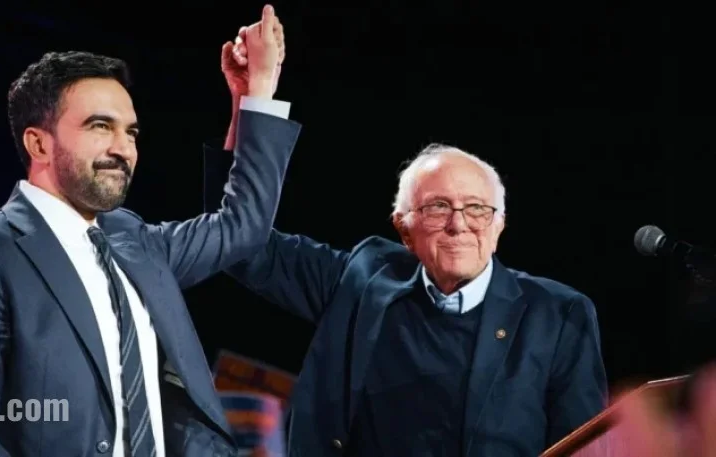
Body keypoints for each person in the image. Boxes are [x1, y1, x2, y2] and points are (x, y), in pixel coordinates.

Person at [0, 6, 299, 457]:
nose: (123, 149)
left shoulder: (133, 238)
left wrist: (255, 92)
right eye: (100, 127)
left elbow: (243, 227)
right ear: (38, 142)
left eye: (131, 132)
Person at [203, 72, 608, 455]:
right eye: (437, 207)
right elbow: (241, 245)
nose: (459, 224)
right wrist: (249, 102)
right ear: (404, 229)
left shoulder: (557, 316)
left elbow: (584, 449)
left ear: (500, 224)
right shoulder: (362, 277)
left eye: (478, 209)